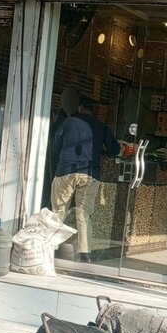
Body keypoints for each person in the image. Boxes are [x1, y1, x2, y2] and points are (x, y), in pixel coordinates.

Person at [50, 99, 96, 263]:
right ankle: (85, 253)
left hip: (66, 171)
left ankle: (52, 248)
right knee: (83, 215)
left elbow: (55, 141)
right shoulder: (99, 126)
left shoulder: (67, 122)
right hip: (88, 174)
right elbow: (114, 149)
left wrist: (56, 155)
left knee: (59, 210)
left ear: (80, 107)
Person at [78, 97, 121, 181]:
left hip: (68, 172)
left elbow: (56, 145)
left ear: (80, 108)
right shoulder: (101, 127)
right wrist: (100, 151)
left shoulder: (69, 124)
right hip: (90, 174)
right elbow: (115, 149)